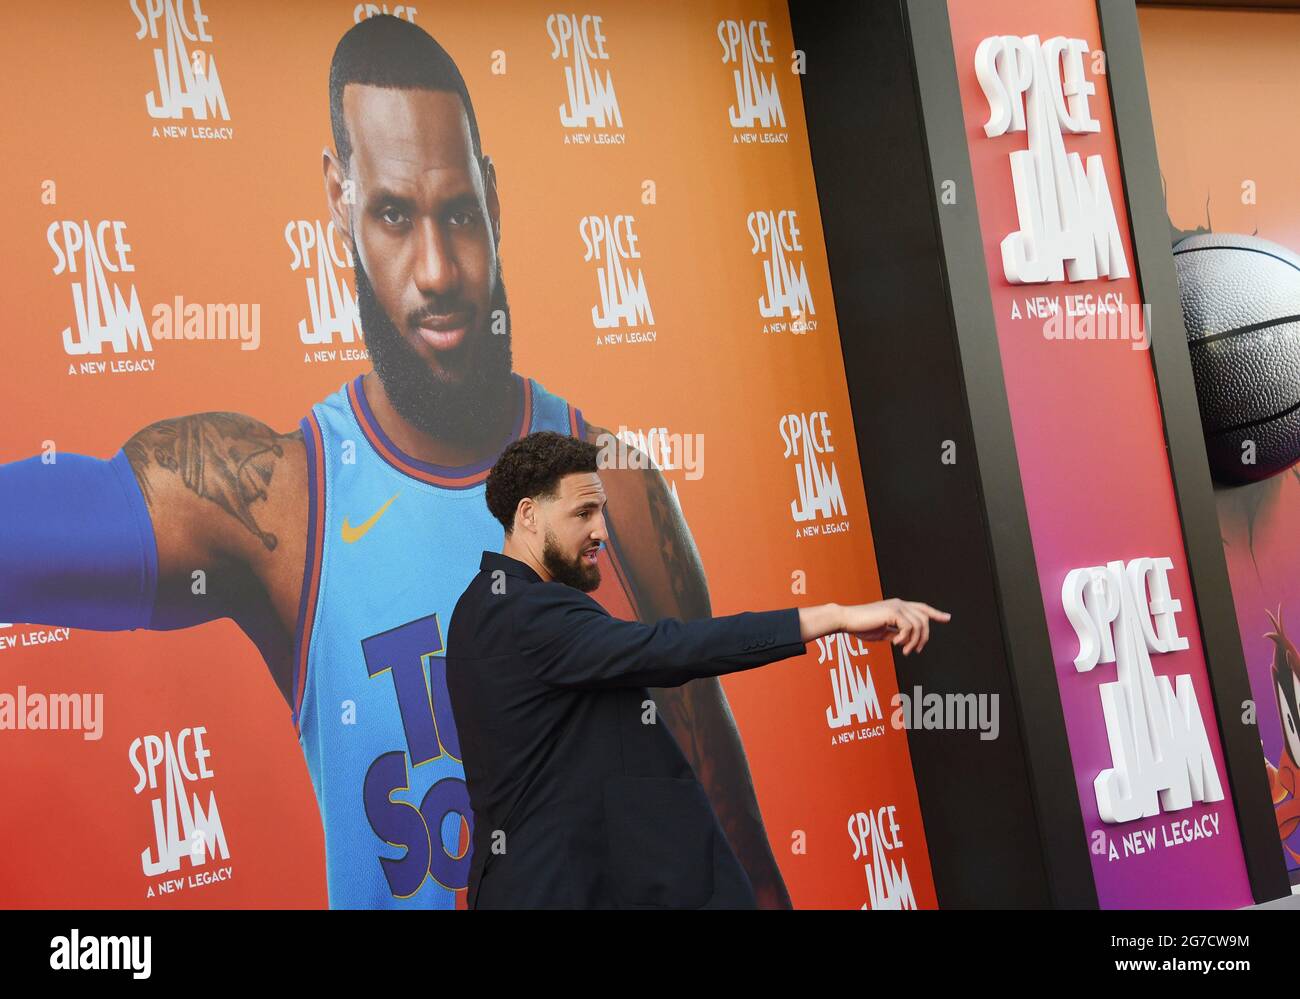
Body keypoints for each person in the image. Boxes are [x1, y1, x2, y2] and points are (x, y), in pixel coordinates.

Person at [0, 16, 790, 907]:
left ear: (493, 196)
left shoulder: (621, 488)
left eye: (458, 213)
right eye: (391, 215)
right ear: (338, 198)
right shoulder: (286, 501)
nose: (438, 269)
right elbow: (43, 531)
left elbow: (740, 855)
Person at [446, 432, 951, 908]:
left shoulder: (483, 605)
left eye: (602, 511)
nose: (602, 530)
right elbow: (671, 646)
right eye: (584, 513)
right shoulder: (526, 614)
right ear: (529, 515)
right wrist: (832, 617)